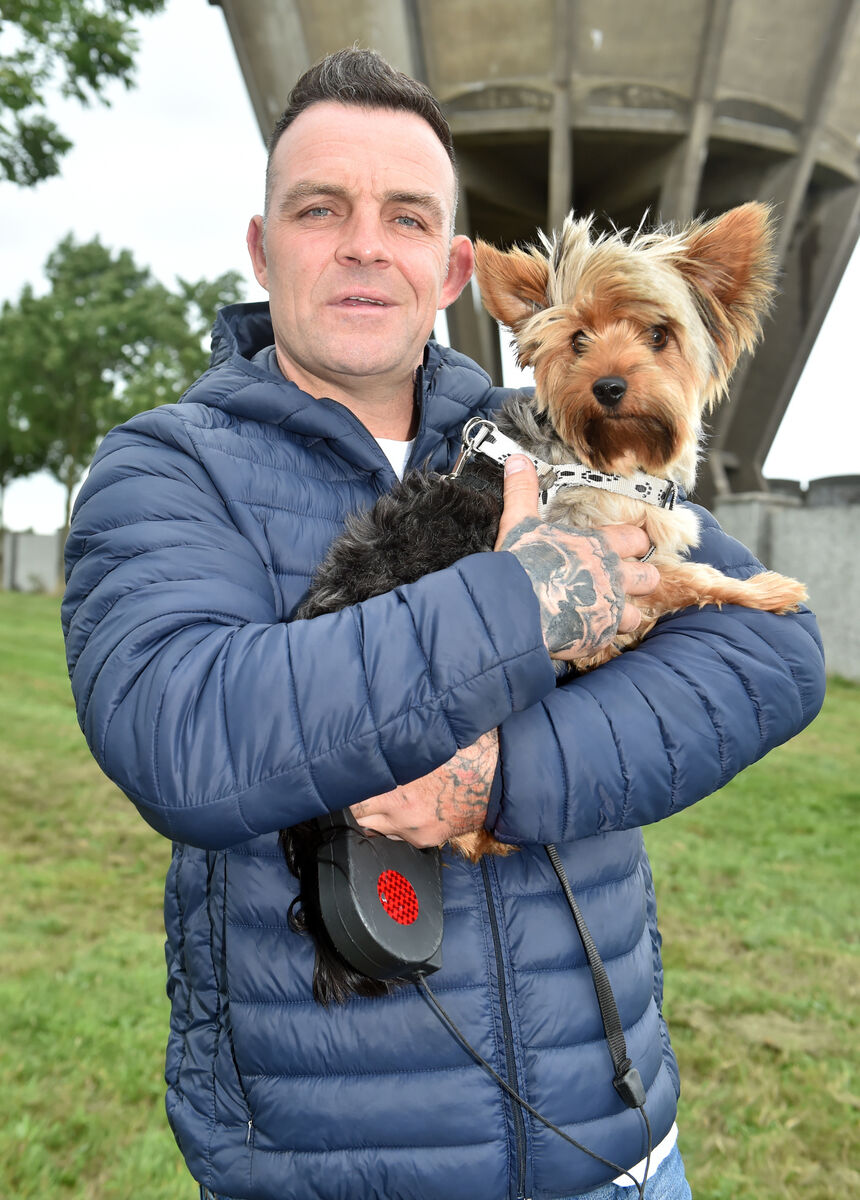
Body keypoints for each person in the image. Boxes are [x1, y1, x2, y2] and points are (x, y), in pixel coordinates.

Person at [61, 48, 825, 1200]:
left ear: (454, 266)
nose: (366, 244)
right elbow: (185, 733)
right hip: (334, 1166)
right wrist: (527, 601)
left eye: (407, 216)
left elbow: (773, 650)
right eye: (321, 209)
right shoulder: (164, 469)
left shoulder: (557, 437)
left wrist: (508, 779)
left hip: (617, 1148)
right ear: (263, 248)